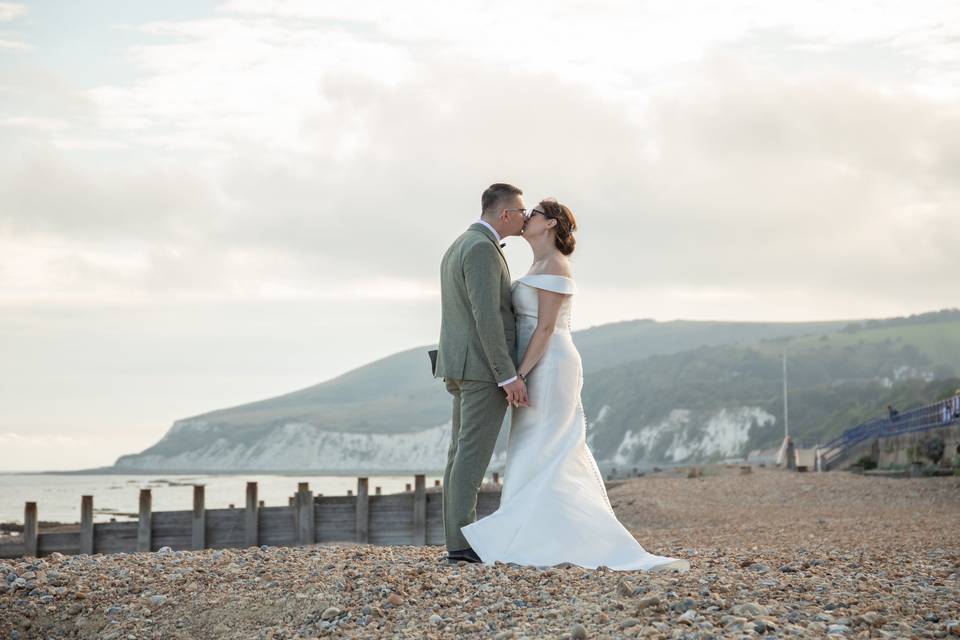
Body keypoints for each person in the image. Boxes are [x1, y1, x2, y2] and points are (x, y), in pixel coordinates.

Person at [460, 198, 689, 572]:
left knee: (549, 448)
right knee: (534, 446)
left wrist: (519, 373)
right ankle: (533, 535)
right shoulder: (536, 264)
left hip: (550, 365)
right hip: (536, 362)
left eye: (533, 213)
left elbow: (547, 327)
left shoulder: (556, 265)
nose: (526, 217)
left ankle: (554, 539)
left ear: (549, 224)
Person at [434, 183, 529, 565]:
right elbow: (486, 316)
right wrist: (506, 375)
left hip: (461, 364)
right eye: (522, 211)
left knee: (459, 454)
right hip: (480, 370)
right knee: (471, 457)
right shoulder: (479, 249)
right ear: (505, 214)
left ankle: (457, 539)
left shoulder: (461, 243)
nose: (526, 216)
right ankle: (461, 544)